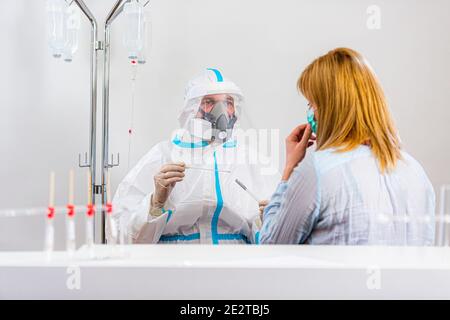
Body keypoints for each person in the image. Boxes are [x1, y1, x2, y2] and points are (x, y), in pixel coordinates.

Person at [260, 48, 435, 245]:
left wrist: (289, 169)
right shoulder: (415, 172)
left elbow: (271, 246)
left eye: (312, 104)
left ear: (330, 108)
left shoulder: (318, 170)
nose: (310, 113)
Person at [109, 68, 280, 244]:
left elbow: (276, 240)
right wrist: (155, 204)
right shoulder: (164, 155)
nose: (221, 111)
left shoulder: (250, 160)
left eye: (228, 102)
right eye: (208, 101)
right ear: (191, 109)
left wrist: (268, 220)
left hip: (233, 261)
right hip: (175, 264)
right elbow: (121, 236)